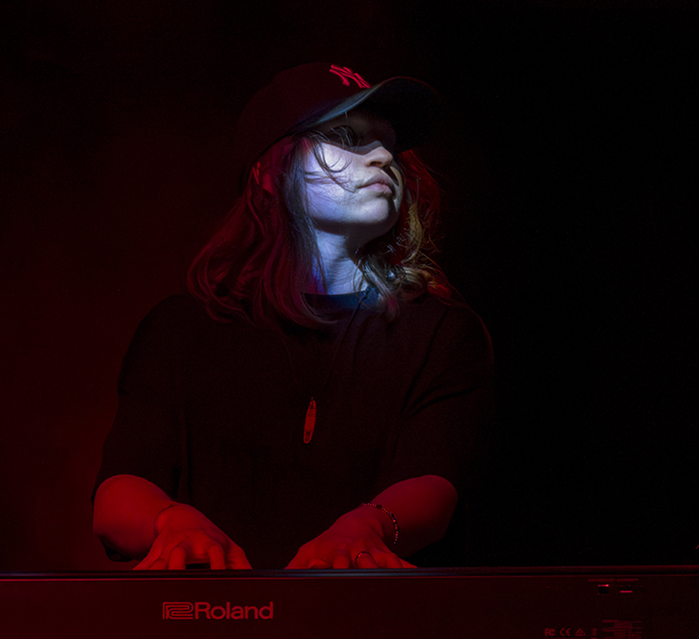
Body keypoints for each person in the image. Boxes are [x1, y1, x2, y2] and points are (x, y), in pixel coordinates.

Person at [92, 63, 493, 570]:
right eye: (345, 136)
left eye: (389, 144)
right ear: (268, 172)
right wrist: (171, 522)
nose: (382, 156)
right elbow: (119, 492)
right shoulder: (182, 329)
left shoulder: (438, 330)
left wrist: (366, 528)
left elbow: (434, 485)